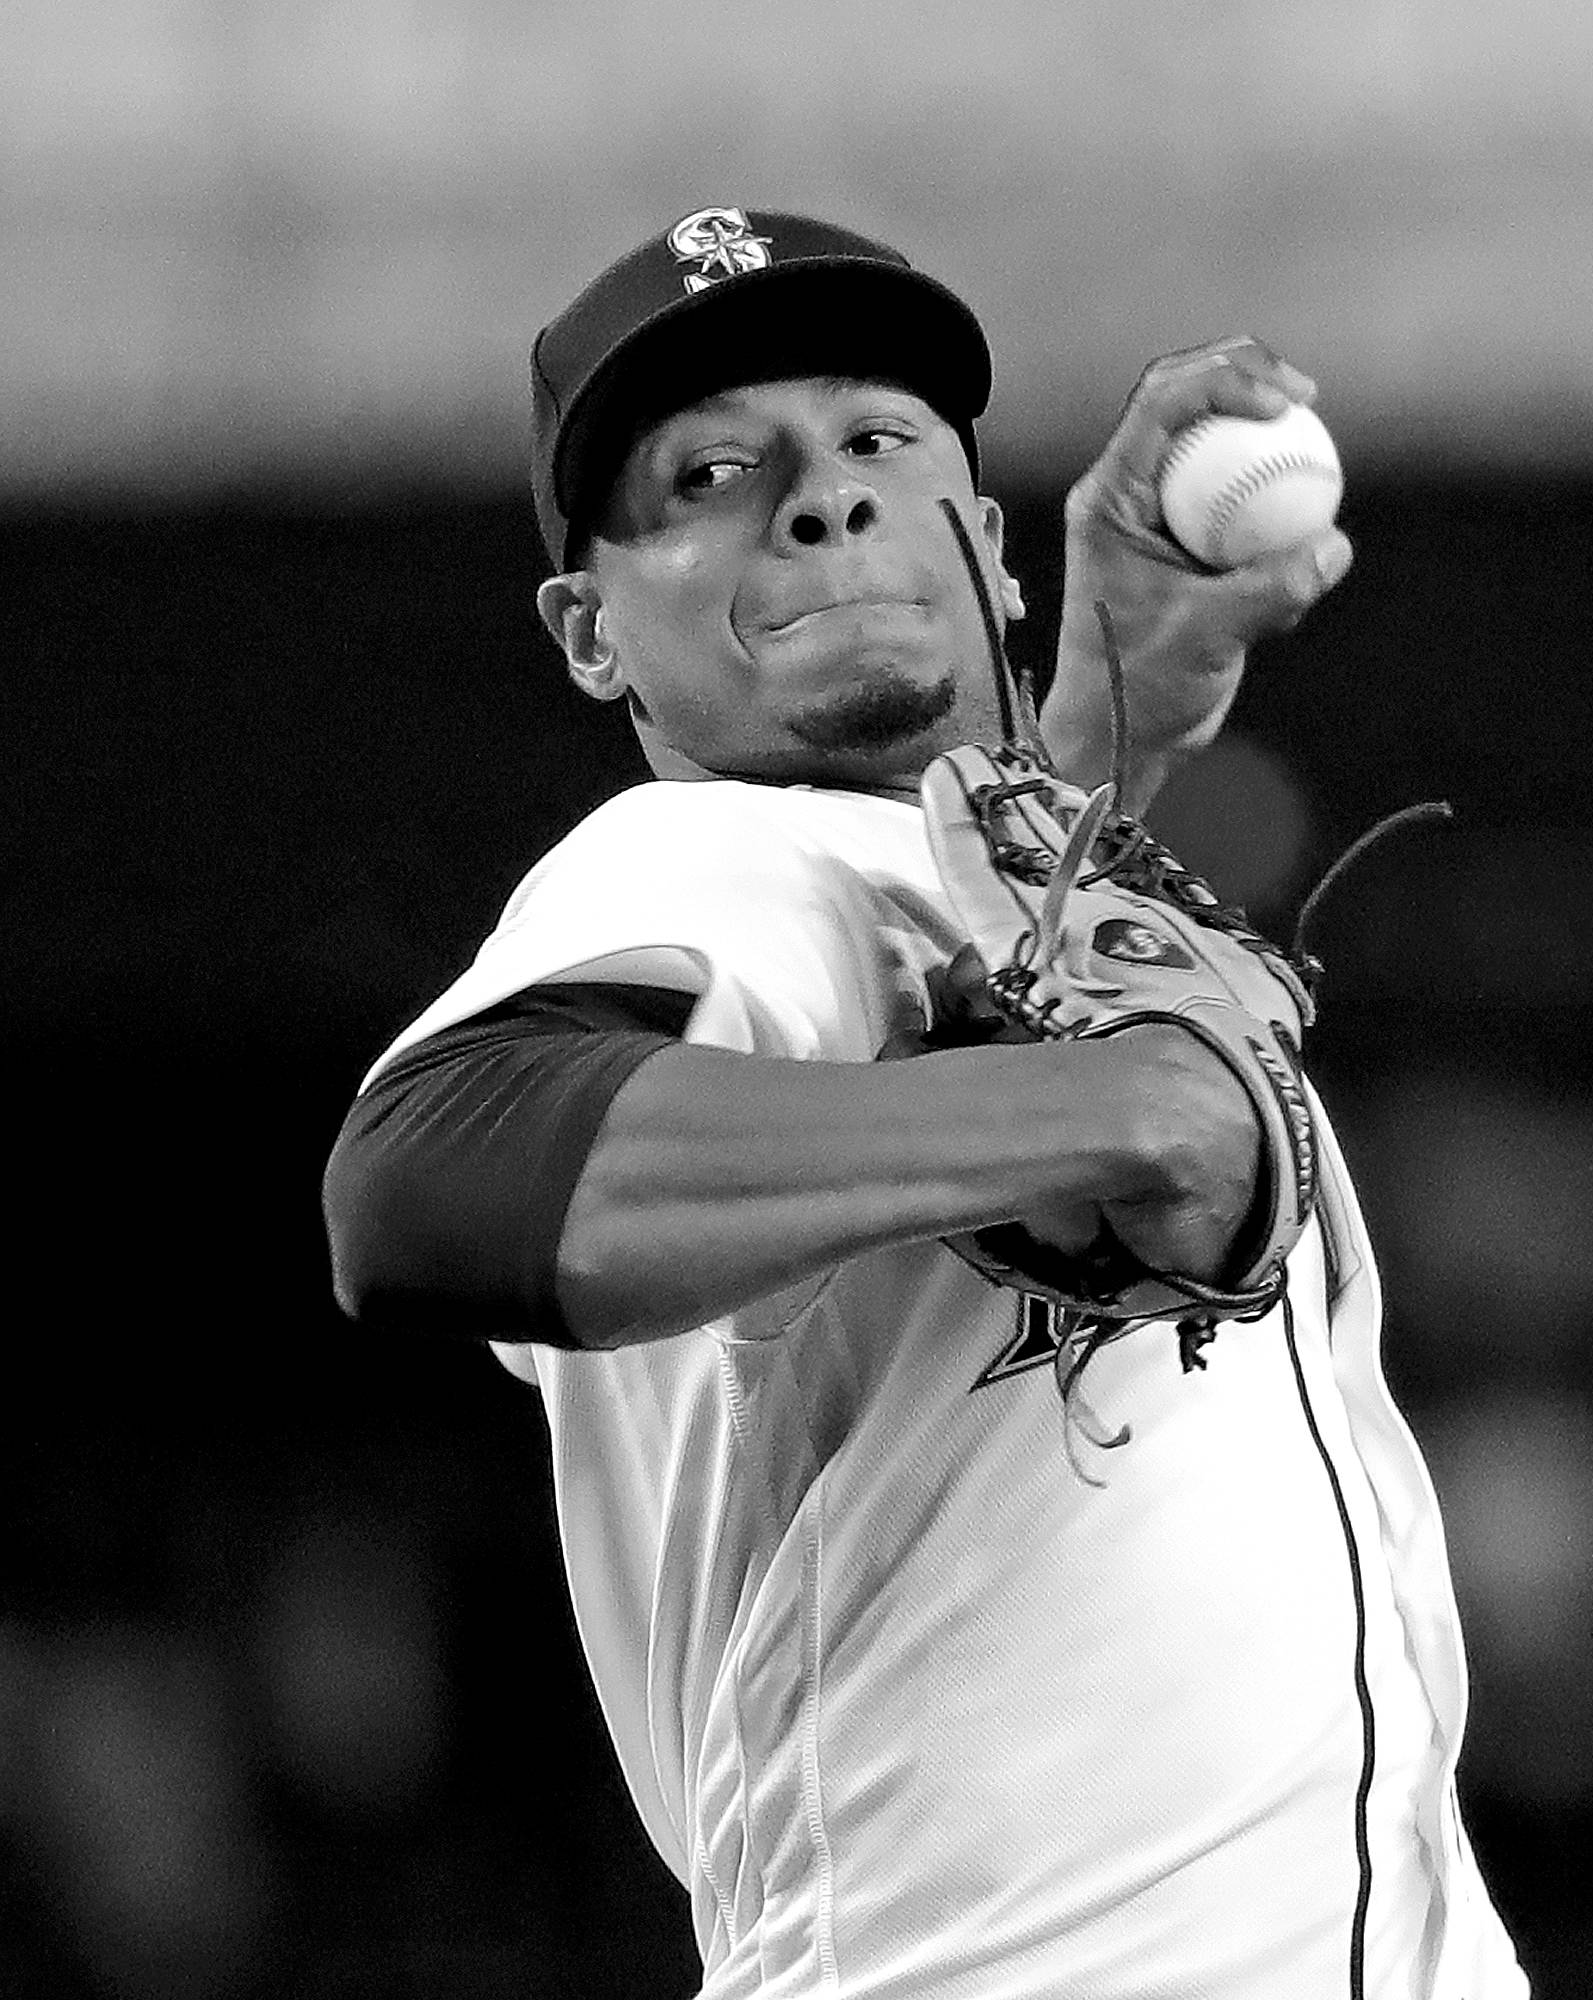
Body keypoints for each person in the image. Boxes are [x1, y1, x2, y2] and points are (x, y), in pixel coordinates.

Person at [323, 205, 1527, 1998]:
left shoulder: (936, 897)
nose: (817, 495)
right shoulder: (710, 862)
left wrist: (1109, 722)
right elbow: (427, 1183)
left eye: (876, 440)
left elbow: (964, 929)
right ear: (590, 636)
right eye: (710, 474)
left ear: (992, 544)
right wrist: (1121, 1116)